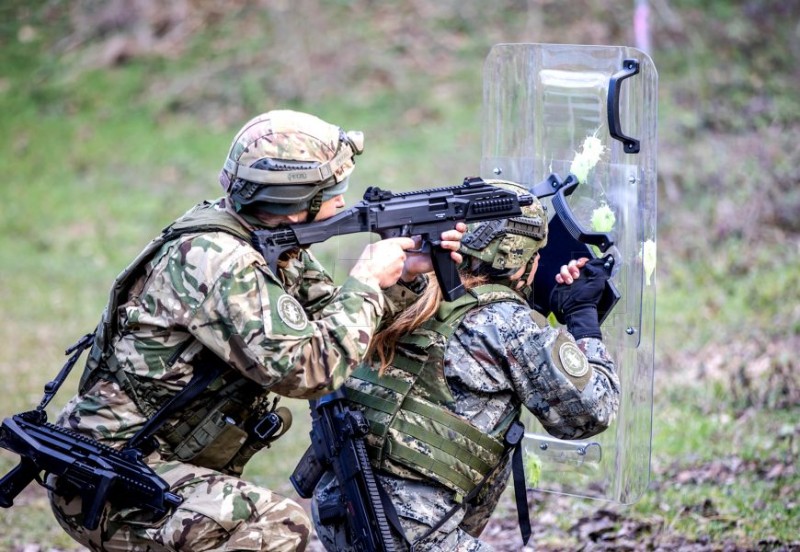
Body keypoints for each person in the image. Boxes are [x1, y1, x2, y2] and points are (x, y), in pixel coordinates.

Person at [47, 109, 465, 551]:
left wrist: (401, 280)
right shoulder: (219, 261)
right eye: (332, 190)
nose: (343, 201)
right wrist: (365, 280)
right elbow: (309, 369)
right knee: (277, 528)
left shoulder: (267, 244)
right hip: (107, 479)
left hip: (146, 464)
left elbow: (329, 320)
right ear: (294, 201)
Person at [311, 180, 621, 551]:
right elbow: (592, 412)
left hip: (341, 508)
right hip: (408, 530)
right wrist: (583, 318)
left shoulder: (407, 291)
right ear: (519, 259)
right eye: (538, 254)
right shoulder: (507, 324)